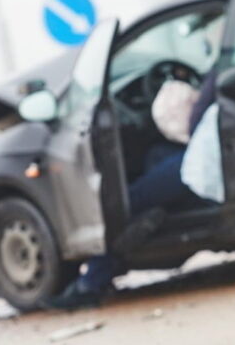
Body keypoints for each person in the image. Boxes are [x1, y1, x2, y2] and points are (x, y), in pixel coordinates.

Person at [44, 69, 220, 309]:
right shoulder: (231, 63)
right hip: (202, 150)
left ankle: (91, 283)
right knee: (155, 155)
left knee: (125, 203)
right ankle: (158, 212)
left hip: (200, 158)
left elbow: (194, 123)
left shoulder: (226, 66)